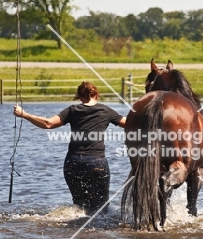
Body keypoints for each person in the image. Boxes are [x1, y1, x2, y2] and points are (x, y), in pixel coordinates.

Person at [13, 81, 126, 215]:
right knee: (101, 208)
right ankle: (96, 232)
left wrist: (24, 114)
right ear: (96, 95)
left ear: (79, 96)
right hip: (96, 162)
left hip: (73, 163)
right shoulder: (106, 111)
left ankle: (77, 229)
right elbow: (129, 123)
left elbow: (48, 124)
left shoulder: (72, 110)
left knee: (79, 207)